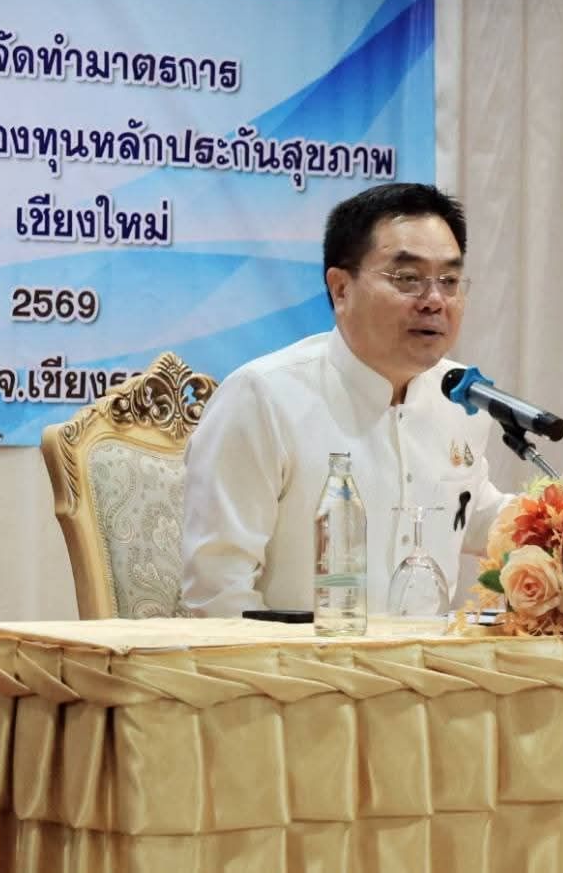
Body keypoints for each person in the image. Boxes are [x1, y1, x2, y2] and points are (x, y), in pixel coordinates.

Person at [181, 183, 509, 617]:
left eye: (449, 281)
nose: (434, 301)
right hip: (300, 659)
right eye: (408, 279)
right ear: (340, 289)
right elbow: (217, 592)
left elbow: (474, 513)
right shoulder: (263, 397)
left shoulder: (460, 398)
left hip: (431, 658)